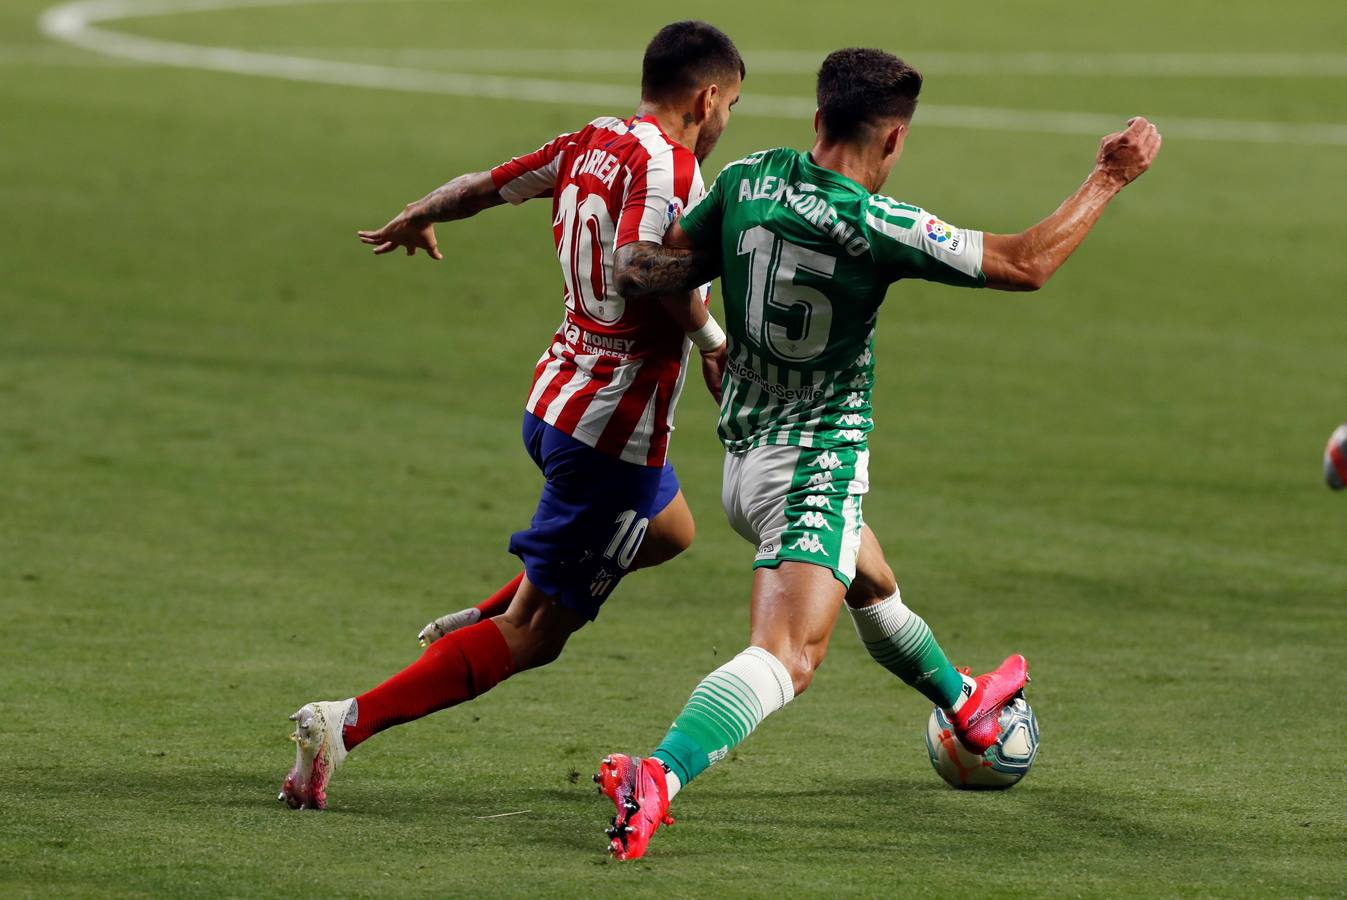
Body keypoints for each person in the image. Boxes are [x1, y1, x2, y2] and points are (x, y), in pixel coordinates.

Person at [593, 47, 1162, 859]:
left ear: (819, 118)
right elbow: (1026, 261)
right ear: (893, 141)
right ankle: (659, 773)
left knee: (870, 580)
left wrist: (694, 322)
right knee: (787, 657)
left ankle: (963, 700)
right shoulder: (877, 226)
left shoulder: (750, 177)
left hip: (744, 457)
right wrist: (1108, 178)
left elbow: (658, 270)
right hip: (810, 466)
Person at [277, 20, 745, 810]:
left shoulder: (594, 140)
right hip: (609, 430)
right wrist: (708, 336)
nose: (727, 116)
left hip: (555, 398)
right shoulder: (674, 169)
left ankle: (509, 594)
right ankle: (342, 723)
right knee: (536, 636)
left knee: (669, 532)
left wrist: (418, 210)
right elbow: (643, 271)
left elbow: (488, 184)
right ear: (706, 97)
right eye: (730, 103)